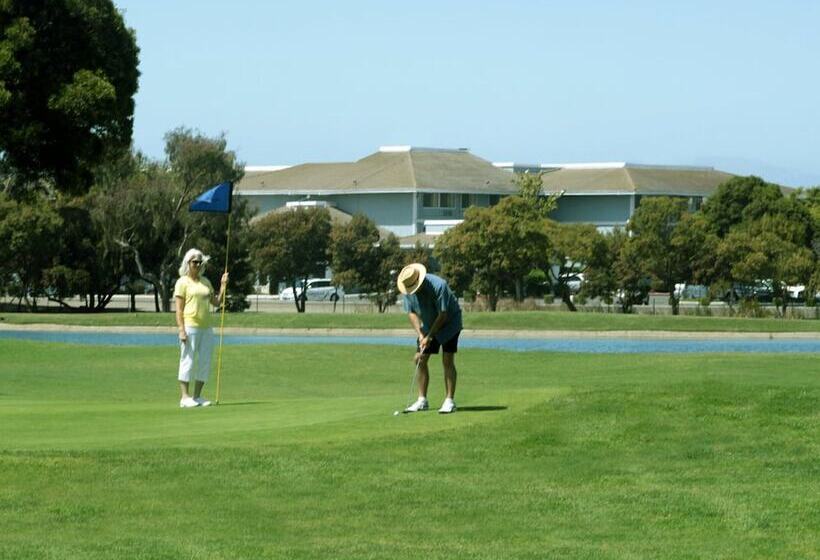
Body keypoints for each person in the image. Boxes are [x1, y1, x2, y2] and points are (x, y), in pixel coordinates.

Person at [397, 263, 462, 414]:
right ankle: (422, 400)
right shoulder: (408, 289)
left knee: (447, 360)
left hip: (449, 323)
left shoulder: (439, 286)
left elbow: (443, 314)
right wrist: (421, 334)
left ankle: (449, 400)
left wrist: (430, 336)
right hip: (427, 325)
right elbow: (411, 312)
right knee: (419, 359)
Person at [174, 248, 228, 408]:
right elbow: (179, 309)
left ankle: (197, 396)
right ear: (188, 263)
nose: (197, 265)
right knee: (188, 360)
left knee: (204, 361)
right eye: (194, 262)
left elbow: (216, 302)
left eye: (199, 262)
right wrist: (181, 329)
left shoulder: (205, 282)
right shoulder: (182, 282)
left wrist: (223, 286)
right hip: (190, 325)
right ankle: (184, 397)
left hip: (206, 327)